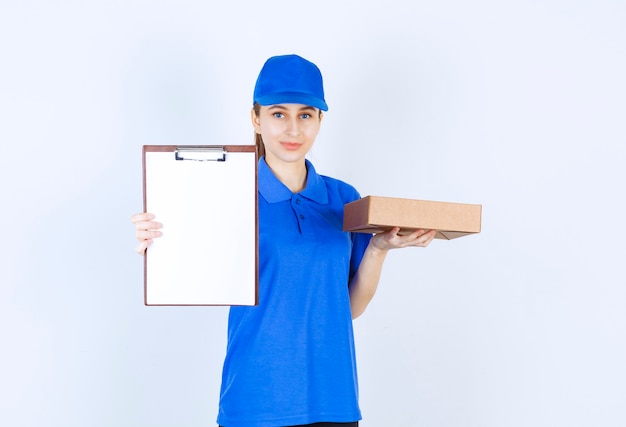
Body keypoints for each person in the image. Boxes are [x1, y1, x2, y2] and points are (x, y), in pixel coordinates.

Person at [132, 54, 436, 427]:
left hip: (334, 399)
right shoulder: (223, 194)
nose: (293, 129)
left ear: (320, 120)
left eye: (306, 114)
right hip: (256, 401)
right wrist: (160, 240)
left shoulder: (344, 199)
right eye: (278, 113)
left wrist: (377, 249)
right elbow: (188, 264)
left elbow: (349, 308)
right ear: (256, 118)